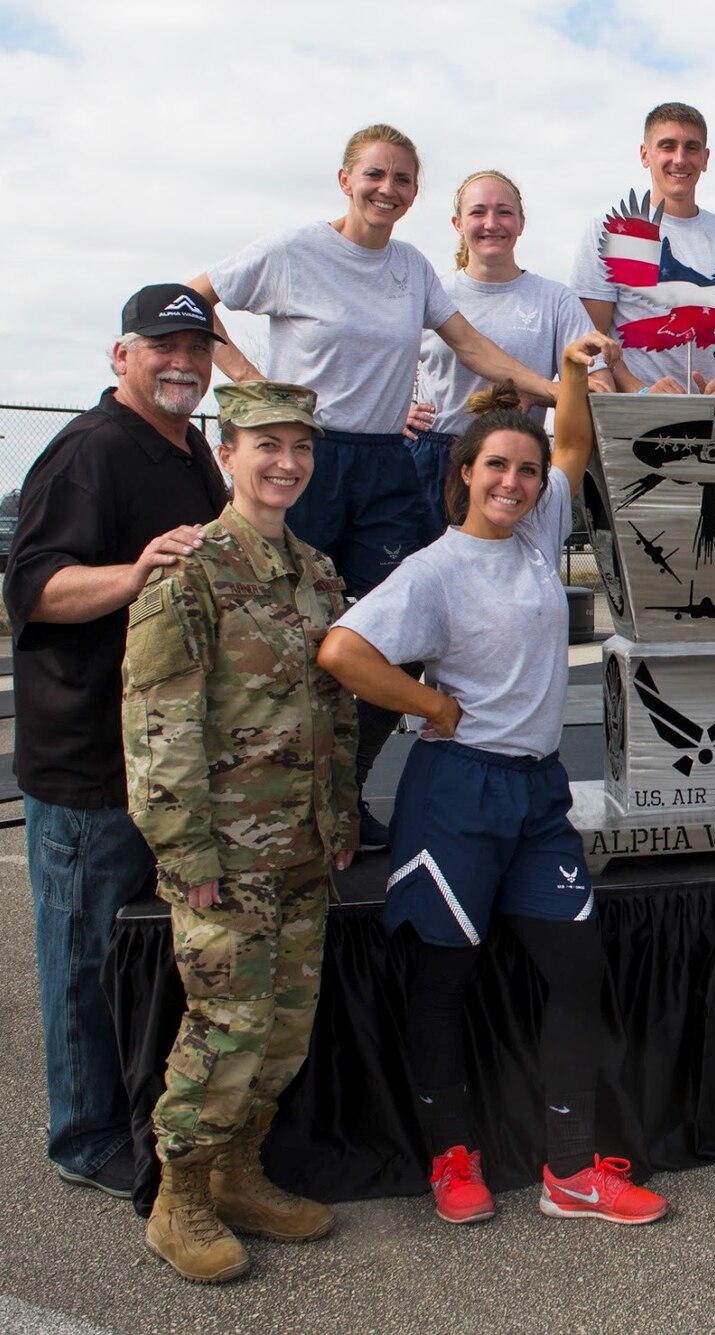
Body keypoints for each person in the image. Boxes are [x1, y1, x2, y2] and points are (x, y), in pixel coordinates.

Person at [317, 332, 671, 1227]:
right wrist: (428, 709)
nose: (515, 481)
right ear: (464, 473)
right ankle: (452, 1158)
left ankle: (569, 1170)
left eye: (524, 468)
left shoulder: (539, 528)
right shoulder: (434, 569)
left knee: (576, 967)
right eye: (496, 467)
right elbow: (342, 650)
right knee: (445, 979)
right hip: (456, 791)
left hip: (536, 791)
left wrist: (577, 373)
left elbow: (575, 447)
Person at [186, 124, 559, 854]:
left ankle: (344, 792)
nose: (387, 190)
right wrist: (254, 384)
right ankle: (266, 803)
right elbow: (190, 300)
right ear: (345, 179)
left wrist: (558, 388)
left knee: (396, 640)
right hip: (312, 460)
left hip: (387, 463)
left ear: (416, 193)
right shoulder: (293, 250)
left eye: (402, 180)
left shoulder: (412, 267)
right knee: (282, 638)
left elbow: (473, 348)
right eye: (374, 175)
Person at [122, 381, 358, 1282]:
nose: (285, 463)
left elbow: (334, 710)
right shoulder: (188, 575)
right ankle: (177, 1198)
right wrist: (184, 851)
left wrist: (337, 817)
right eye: (267, 445)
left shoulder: (318, 573)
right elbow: (157, 727)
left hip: (301, 848)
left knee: (285, 1033)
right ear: (228, 453)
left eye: (300, 447)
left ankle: (237, 1173)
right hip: (224, 857)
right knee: (225, 1027)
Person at [4, 283, 230, 1200]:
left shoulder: (190, 453)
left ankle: (130, 1110)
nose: (183, 362)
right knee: (83, 956)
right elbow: (36, 589)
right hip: (87, 764)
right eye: (163, 346)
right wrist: (136, 572)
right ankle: (84, 1133)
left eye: (197, 347)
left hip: (167, 760)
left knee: (141, 954)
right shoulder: (89, 452)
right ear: (120, 354)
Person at [410, 169, 602, 527]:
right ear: (457, 223)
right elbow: (383, 367)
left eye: (504, 212)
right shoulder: (430, 294)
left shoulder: (554, 300)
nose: (491, 223)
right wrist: (394, 417)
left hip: (514, 466)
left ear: (521, 223)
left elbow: (597, 387)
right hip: (435, 460)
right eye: (478, 212)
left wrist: (538, 395)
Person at [570, 101, 715, 392]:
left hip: (714, 420)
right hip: (634, 420)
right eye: (667, 146)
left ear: (706, 158)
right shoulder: (609, 231)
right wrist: (641, 393)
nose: (680, 158)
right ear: (645, 154)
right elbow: (592, 338)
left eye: (692, 148)